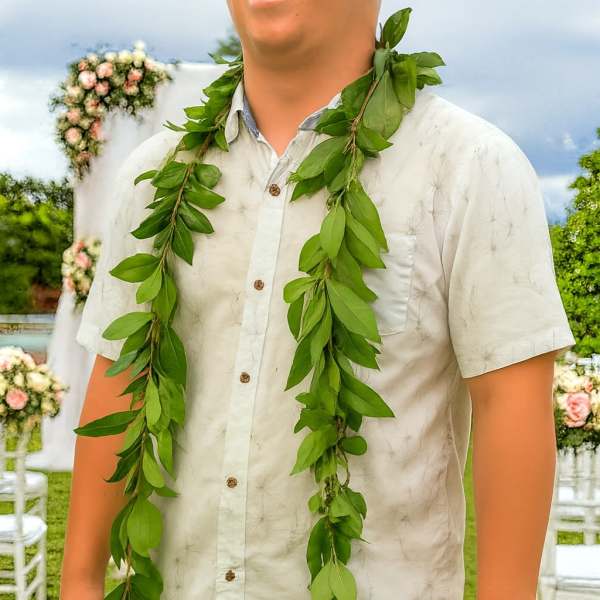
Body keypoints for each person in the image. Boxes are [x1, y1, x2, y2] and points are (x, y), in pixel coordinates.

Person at [60, 1, 576, 599]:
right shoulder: (154, 176)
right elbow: (121, 374)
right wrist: (80, 583)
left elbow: (508, 401)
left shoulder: (469, 168)